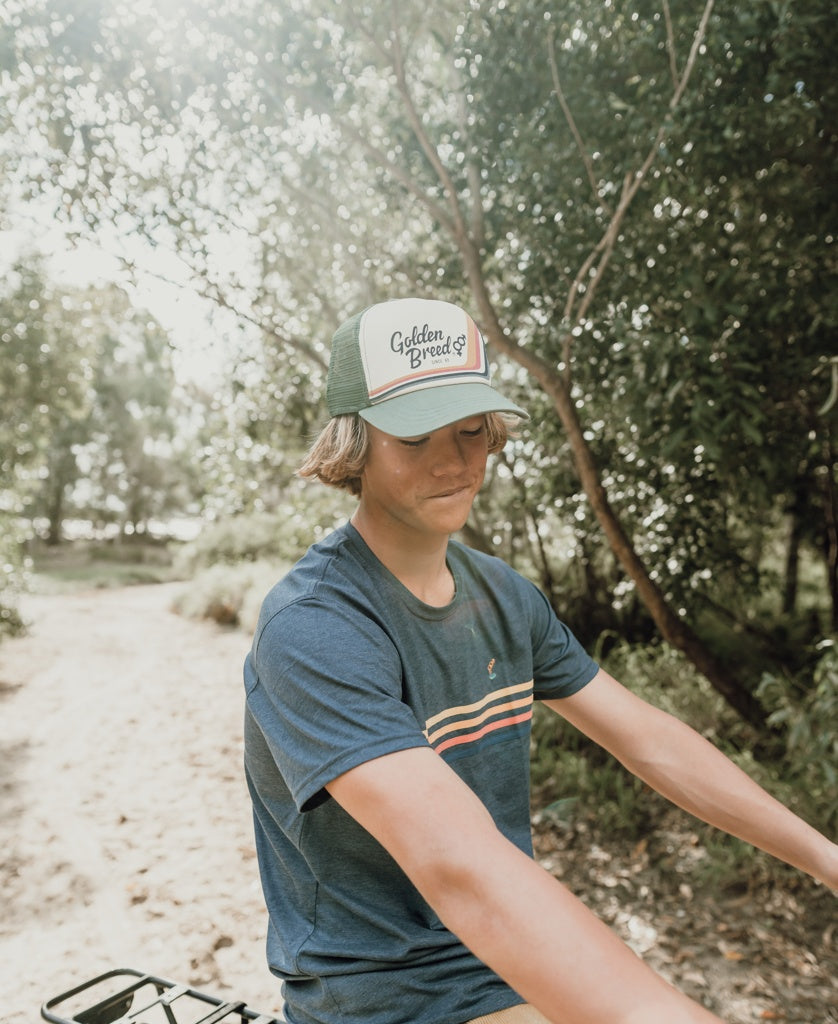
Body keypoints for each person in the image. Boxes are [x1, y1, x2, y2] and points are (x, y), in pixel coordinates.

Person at [243, 297, 837, 1024]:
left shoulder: (503, 595)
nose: (454, 462)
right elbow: (461, 868)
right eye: (416, 437)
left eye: (470, 432)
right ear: (355, 444)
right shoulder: (315, 626)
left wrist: (824, 858)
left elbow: (647, 740)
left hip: (502, 957)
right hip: (388, 994)